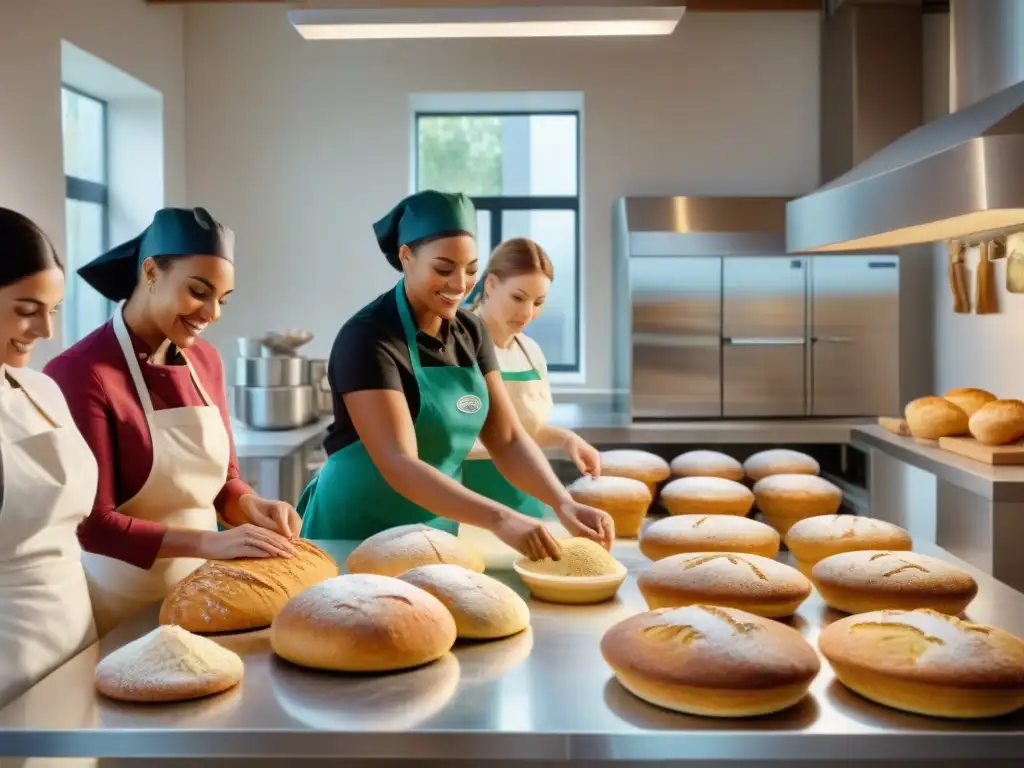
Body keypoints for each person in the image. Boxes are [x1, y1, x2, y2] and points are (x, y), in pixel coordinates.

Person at [298, 190, 614, 559]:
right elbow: (399, 462)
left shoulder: (470, 332)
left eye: (470, 269)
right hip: (354, 528)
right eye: (443, 269)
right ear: (406, 257)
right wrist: (499, 518)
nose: (460, 284)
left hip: (434, 528)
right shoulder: (368, 337)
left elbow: (508, 438)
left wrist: (563, 503)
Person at [44, 207, 299, 637]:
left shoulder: (207, 361)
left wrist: (252, 507)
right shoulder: (80, 372)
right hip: (122, 603)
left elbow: (223, 481)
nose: (213, 312)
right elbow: (93, 525)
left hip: (209, 595)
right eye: (199, 292)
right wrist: (209, 543)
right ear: (150, 272)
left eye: (223, 298)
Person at [0, 208, 97, 709]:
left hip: (76, 639)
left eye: (54, 310)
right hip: (10, 655)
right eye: (26, 309)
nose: (45, 330)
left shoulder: (41, 388)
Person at [463, 237, 601, 518]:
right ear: (490, 285)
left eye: (538, 302)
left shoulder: (530, 352)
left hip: (525, 494)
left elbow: (520, 431)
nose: (528, 313)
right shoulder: (455, 345)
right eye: (518, 297)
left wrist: (566, 439)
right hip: (468, 495)